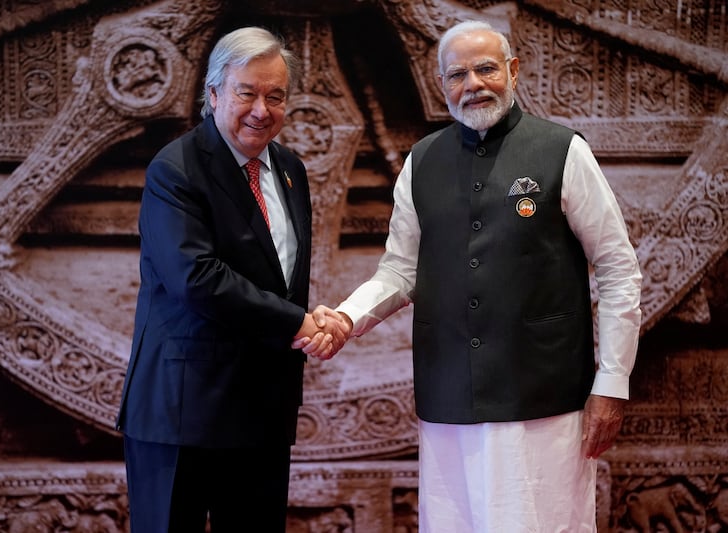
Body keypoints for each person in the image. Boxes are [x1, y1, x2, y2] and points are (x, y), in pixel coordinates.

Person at [298, 20, 642, 532]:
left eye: (486, 69)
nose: (473, 84)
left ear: (513, 71)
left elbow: (617, 268)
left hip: (544, 402)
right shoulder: (421, 161)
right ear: (441, 85)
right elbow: (399, 269)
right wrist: (347, 319)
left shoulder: (562, 151)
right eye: (457, 74)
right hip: (448, 401)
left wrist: (612, 383)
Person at [115, 26, 347, 533]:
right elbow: (196, 278)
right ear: (214, 92)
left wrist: (308, 318)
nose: (262, 109)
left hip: (263, 411)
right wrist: (299, 323)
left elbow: (279, 275)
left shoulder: (290, 170)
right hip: (183, 412)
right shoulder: (174, 170)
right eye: (247, 92)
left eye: (276, 96)